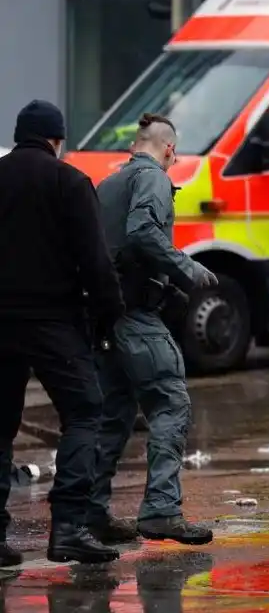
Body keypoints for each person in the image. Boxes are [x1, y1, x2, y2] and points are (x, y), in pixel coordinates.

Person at [0, 100, 124, 565]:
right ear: (57, 140)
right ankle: (69, 527)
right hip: (53, 321)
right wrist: (111, 315)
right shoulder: (67, 181)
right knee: (85, 411)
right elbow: (95, 261)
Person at [89, 113, 219, 545]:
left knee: (114, 414)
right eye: (174, 151)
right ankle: (162, 510)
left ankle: (92, 514)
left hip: (105, 317)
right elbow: (143, 230)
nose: (174, 157)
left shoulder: (107, 186)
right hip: (136, 316)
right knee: (170, 402)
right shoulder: (154, 180)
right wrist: (188, 269)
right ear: (166, 148)